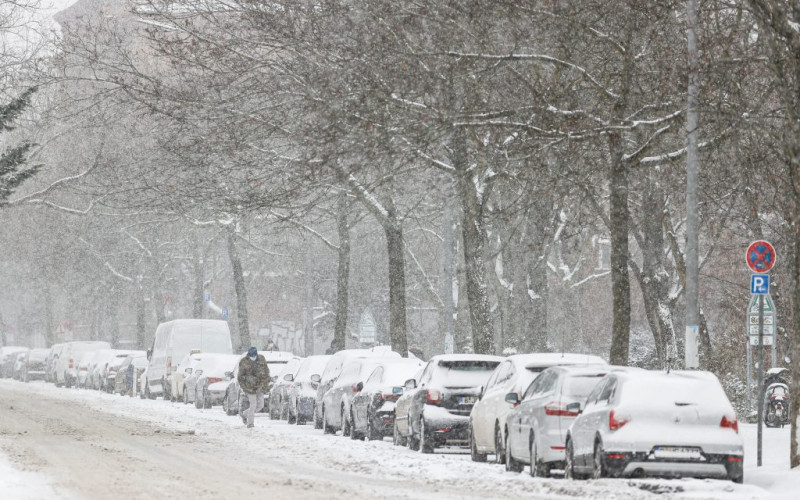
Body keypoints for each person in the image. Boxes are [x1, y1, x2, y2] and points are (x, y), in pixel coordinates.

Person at [237, 346, 271, 428]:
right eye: (252, 355)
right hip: (249, 388)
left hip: (260, 386)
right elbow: (240, 377)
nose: (253, 357)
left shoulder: (262, 359)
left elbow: (266, 372)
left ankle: (244, 414)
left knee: (260, 405)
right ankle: (250, 423)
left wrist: (265, 384)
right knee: (253, 404)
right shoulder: (244, 362)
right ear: (249, 355)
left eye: (254, 355)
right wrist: (244, 387)